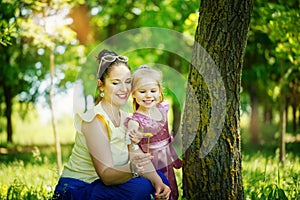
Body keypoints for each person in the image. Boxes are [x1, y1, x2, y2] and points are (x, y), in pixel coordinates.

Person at [52, 49, 171, 200]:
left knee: (159, 179)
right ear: (101, 85)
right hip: (78, 188)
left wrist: (158, 182)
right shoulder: (94, 119)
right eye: (116, 83)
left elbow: (137, 155)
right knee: (140, 188)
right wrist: (133, 169)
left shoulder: (128, 119)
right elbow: (106, 175)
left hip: (103, 185)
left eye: (128, 82)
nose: (123, 89)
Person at [124, 65, 182, 200]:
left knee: (172, 188)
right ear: (133, 93)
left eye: (153, 90)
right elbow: (132, 145)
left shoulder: (163, 109)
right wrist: (139, 136)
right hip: (152, 163)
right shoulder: (135, 121)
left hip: (166, 157)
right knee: (158, 192)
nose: (148, 95)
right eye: (142, 91)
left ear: (160, 91)